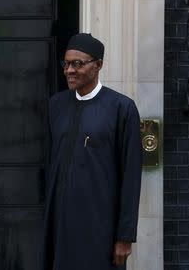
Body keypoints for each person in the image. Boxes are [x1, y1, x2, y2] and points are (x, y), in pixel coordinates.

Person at [41, 33, 142, 270]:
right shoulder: (56, 105)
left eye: (78, 64)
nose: (69, 70)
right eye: (66, 63)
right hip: (61, 223)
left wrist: (124, 236)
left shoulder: (122, 108)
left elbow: (131, 177)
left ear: (98, 65)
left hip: (101, 226)